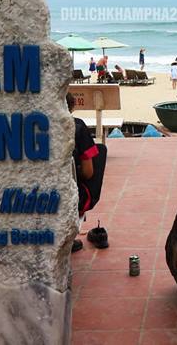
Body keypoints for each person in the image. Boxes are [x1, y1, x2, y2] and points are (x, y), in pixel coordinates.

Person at [67, 93, 97, 252]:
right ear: (72, 107)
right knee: (98, 157)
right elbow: (88, 171)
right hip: (72, 196)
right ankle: (68, 237)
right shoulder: (77, 127)